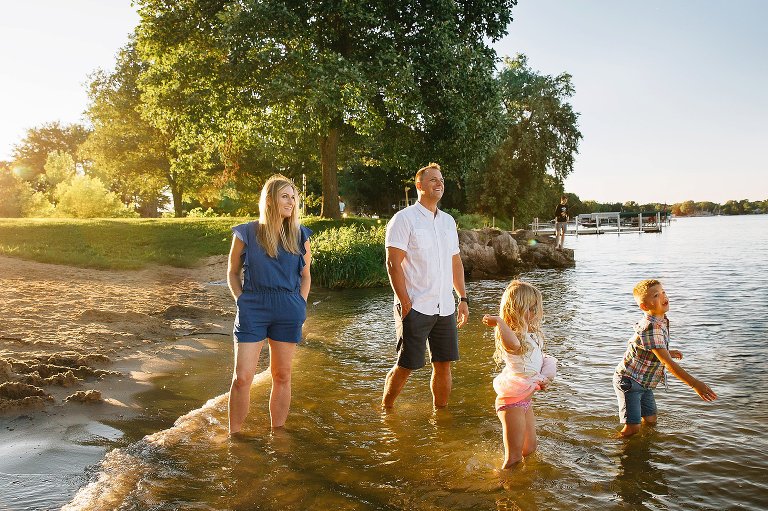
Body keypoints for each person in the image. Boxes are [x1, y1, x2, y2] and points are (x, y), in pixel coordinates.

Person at [226, 174, 312, 434]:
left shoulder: (300, 235)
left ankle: (278, 435)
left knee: (282, 376)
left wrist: (300, 304)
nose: (291, 202)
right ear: (270, 200)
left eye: (293, 197)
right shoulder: (247, 232)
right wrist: (242, 300)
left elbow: (306, 276)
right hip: (254, 306)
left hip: (289, 308)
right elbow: (232, 272)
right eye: (285, 196)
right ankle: (235, 437)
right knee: (242, 378)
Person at [382, 162, 469, 409]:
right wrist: (404, 301)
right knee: (406, 365)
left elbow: (455, 262)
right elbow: (393, 264)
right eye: (433, 179)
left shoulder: (448, 222)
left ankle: (439, 416)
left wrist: (462, 298)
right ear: (419, 186)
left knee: (444, 364)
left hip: (445, 307)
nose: (439, 183)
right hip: (415, 306)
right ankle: (386, 410)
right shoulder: (404, 219)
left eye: (441, 179)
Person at [613, 279, 717, 438]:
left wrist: (667, 351)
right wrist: (695, 384)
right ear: (645, 306)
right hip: (630, 381)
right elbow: (667, 364)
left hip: (644, 381)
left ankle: (645, 447)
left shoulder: (660, 320)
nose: (663, 296)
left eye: (663, 292)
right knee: (633, 428)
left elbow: (648, 346)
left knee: (651, 420)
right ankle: (609, 447)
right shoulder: (651, 327)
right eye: (656, 295)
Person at [482, 280, 557, 468]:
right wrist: (499, 322)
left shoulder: (530, 335)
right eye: (530, 309)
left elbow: (539, 361)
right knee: (514, 458)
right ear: (516, 310)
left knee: (530, 449)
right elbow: (514, 345)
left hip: (525, 401)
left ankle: (522, 487)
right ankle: (504, 489)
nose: (534, 313)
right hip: (511, 403)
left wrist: (545, 378)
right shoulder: (511, 336)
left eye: (535, 308)